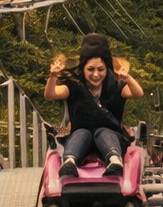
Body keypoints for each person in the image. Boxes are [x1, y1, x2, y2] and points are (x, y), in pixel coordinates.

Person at [45, 32, 144, 179]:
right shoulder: (74, 85)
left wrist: (127, 77)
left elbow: (138, 93)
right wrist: (53, 76)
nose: (96, 74)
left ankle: (115, 161)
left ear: (107, 69)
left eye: (101, 69)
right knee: (82, 133)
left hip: (110, 137)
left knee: (102, 132)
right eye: (91, 69)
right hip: (81, 138)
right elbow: (51, 94)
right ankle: (69, 162)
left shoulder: (115, 85)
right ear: (83, 68)